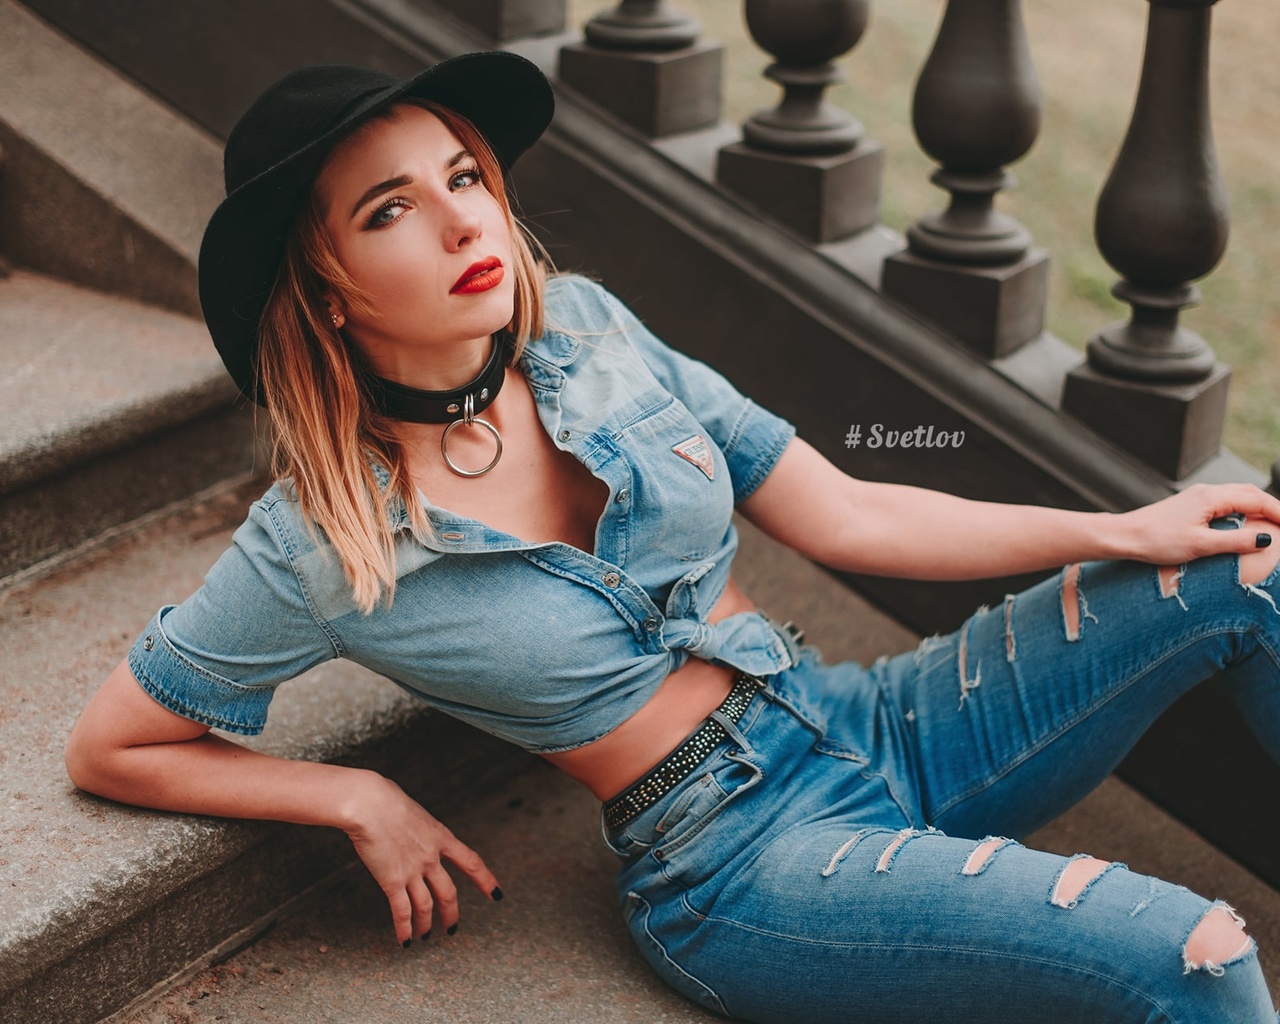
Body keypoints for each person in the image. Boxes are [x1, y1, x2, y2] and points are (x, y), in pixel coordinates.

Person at [63, 51, 1280, 1023]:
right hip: (741, 861)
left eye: (464, 176)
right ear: (325, 287)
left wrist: (1119, 525)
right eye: (392, 208)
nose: (458, 222)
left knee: (1245, 569)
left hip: (861, 719)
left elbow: (841, 505)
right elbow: (115, 743)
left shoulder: (586, 331)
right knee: (1194, 960)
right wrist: (349, 792)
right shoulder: (319, 541)